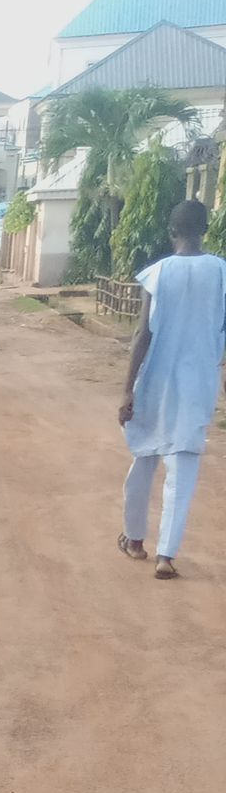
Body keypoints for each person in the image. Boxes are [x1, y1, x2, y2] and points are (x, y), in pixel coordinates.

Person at [118, 198, 226, 581]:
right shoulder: (221, 272)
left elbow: (142, 334)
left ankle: (134, 540)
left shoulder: (157, 274)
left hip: (156, 383)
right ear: (205, 231)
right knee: (183, 468)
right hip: (198, 384)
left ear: (171, 232)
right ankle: (166, 555)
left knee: (144, 459)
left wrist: (127, 390)